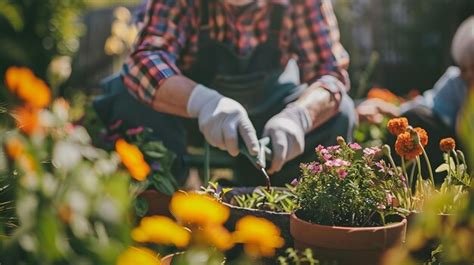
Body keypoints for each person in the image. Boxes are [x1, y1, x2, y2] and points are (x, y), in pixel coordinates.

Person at [95, 0, 356, 186]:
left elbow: (329, 73)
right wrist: (202, 102)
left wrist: (299, 116)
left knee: (340, 112)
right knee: (125, 97)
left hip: (271, 113)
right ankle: (169, 200)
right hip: (188, 116)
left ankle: (285, 213)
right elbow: (145, 59)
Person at [357, 16, 474, 181]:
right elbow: (426, 105)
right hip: (446, 152)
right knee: (414, 117)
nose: (468, 75)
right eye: (464, 69)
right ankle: (386, 180)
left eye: (473, 67)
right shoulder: (455, 81)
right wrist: (382, 107)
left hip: (466, 157)